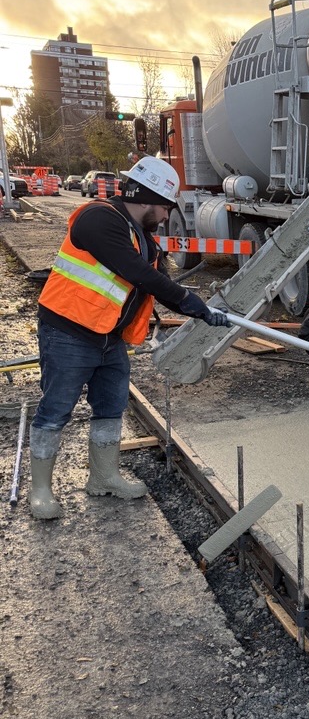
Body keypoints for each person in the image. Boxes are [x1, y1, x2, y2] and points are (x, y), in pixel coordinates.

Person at [29, 156, 230, 520]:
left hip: (109, 336)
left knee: (110, 406)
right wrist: (191, 303)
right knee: (56, 408)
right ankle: (40, 491)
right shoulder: (99, 219)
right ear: (148, 198)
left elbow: (150, 281)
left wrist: (200, 310)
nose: (167, 218)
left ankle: (104, 477)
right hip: (69, 331)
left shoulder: (144, 237)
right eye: (166, 209)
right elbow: (137, 274)